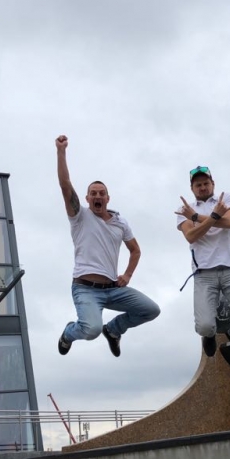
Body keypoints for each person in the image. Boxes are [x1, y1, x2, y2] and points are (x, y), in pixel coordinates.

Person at [55, 135, 160, 357]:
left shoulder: (120, 222)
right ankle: (68, 333)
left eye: (101, 194)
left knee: (151, 310)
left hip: (113, 289)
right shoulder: (80, 216)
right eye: (93, 193)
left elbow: (135, 250)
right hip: (85, 289)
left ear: (108, 198)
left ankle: (113, 330)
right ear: (87, 198)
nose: (97, 196)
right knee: (91, 329)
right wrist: (61, 152)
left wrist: (128, 275)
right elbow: (65, 186)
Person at [176, 166, 230, 381]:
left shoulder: (226, 198)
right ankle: (209, 335)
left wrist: (197, 217)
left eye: (206, 183)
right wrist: (213, 217)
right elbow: (191, 236)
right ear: (192, 188)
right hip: (204, 273)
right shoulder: (184, 209)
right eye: (198, 184)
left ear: (213, 183)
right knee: (204, 325)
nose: (203, 187)